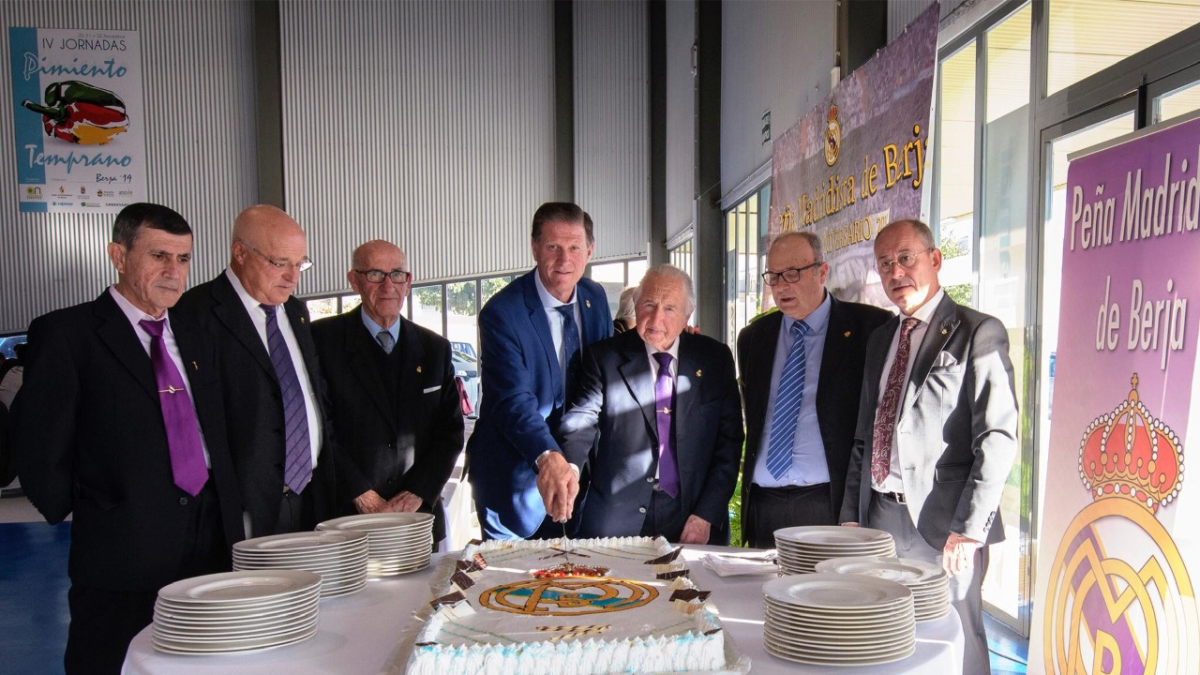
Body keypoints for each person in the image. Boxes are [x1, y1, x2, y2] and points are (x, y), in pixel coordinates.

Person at [10, 203, 244, 675]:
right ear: (118, 256)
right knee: (109, 661)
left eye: (183, 258)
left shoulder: (196, 331)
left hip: (210, 540)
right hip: (121, 551)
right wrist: (99, 507)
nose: (173, 271)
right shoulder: (68, 333)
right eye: (159, 256)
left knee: (206, 661)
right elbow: (38, 444)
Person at [840, 219, 1018, 675]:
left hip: (944, 526)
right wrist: (851, 516)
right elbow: (865, 434)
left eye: (905, 258)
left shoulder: (978, 332)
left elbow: (997, 438)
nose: (895, 272)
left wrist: (969, 530)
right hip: (880, 518)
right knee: (884, 638)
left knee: (956, 640)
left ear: (935, 259)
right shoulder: (881, 339)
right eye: (885, 264)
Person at [176, 204, 339, 537]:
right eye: (280, 263)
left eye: (300, 264)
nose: (293, 277)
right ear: (240, 253)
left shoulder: (296, 310)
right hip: (241, 509)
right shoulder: (193, 314)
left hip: (311, 497)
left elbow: (314, 395)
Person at [552, 265, 743, 543]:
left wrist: (706, 514)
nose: (656, 318)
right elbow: (582, 419)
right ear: (636, 304)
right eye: (649, 304)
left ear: (687, 314)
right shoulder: (605, 357)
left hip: (692, 514)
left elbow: (729, 442)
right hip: (618, 517)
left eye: (669, 308)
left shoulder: (714, 359)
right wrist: (569, 466)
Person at [466, 202, 612, 540]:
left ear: (589, 251)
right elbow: (512, 401)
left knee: (576, 571)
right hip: (515, 484)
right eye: (553, 247)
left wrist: (674, 341)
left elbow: (606, 371)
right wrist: (548, 457)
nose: (564, 260)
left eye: (574, 247)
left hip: (579, 476)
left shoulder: (595, 298)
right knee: (512, 574)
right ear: (535, 248)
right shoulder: (502, 313)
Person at [736, 231, 890, 548]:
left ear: (822, 272)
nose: (781, 286)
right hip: (764, 504)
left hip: (829, 503)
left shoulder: (870, 328)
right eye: (773, 276)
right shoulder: (754, 338)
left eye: (792, 273)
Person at [311, 240, 464, 543]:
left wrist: (417, 492)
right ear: (354, 280)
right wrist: (363, 496)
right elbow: (319, 429)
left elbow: (450, 432)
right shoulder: (321, 341)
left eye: (396, 274)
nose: (387, 286)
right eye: (375, 274)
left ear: (408, 281)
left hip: (416, 518)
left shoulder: (435, 349)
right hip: (345, 519)